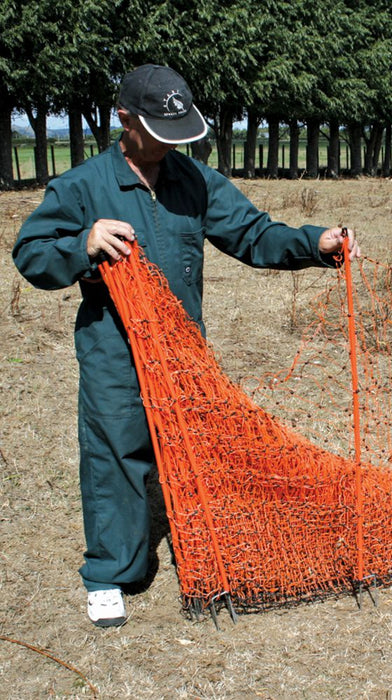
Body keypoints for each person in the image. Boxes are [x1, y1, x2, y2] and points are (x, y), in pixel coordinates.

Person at [12, 64, 360, 628]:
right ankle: (110, 572)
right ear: (125, 119)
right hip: (114, 351)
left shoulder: (195, 181)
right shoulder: (80, 186)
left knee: (191, 448)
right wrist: (84, 243)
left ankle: (207, 545)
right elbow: (31, 254)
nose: (170, 145)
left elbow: (253, 233)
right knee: (116, 453)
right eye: (158, 130)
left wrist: (315, 243)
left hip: (183, 352)